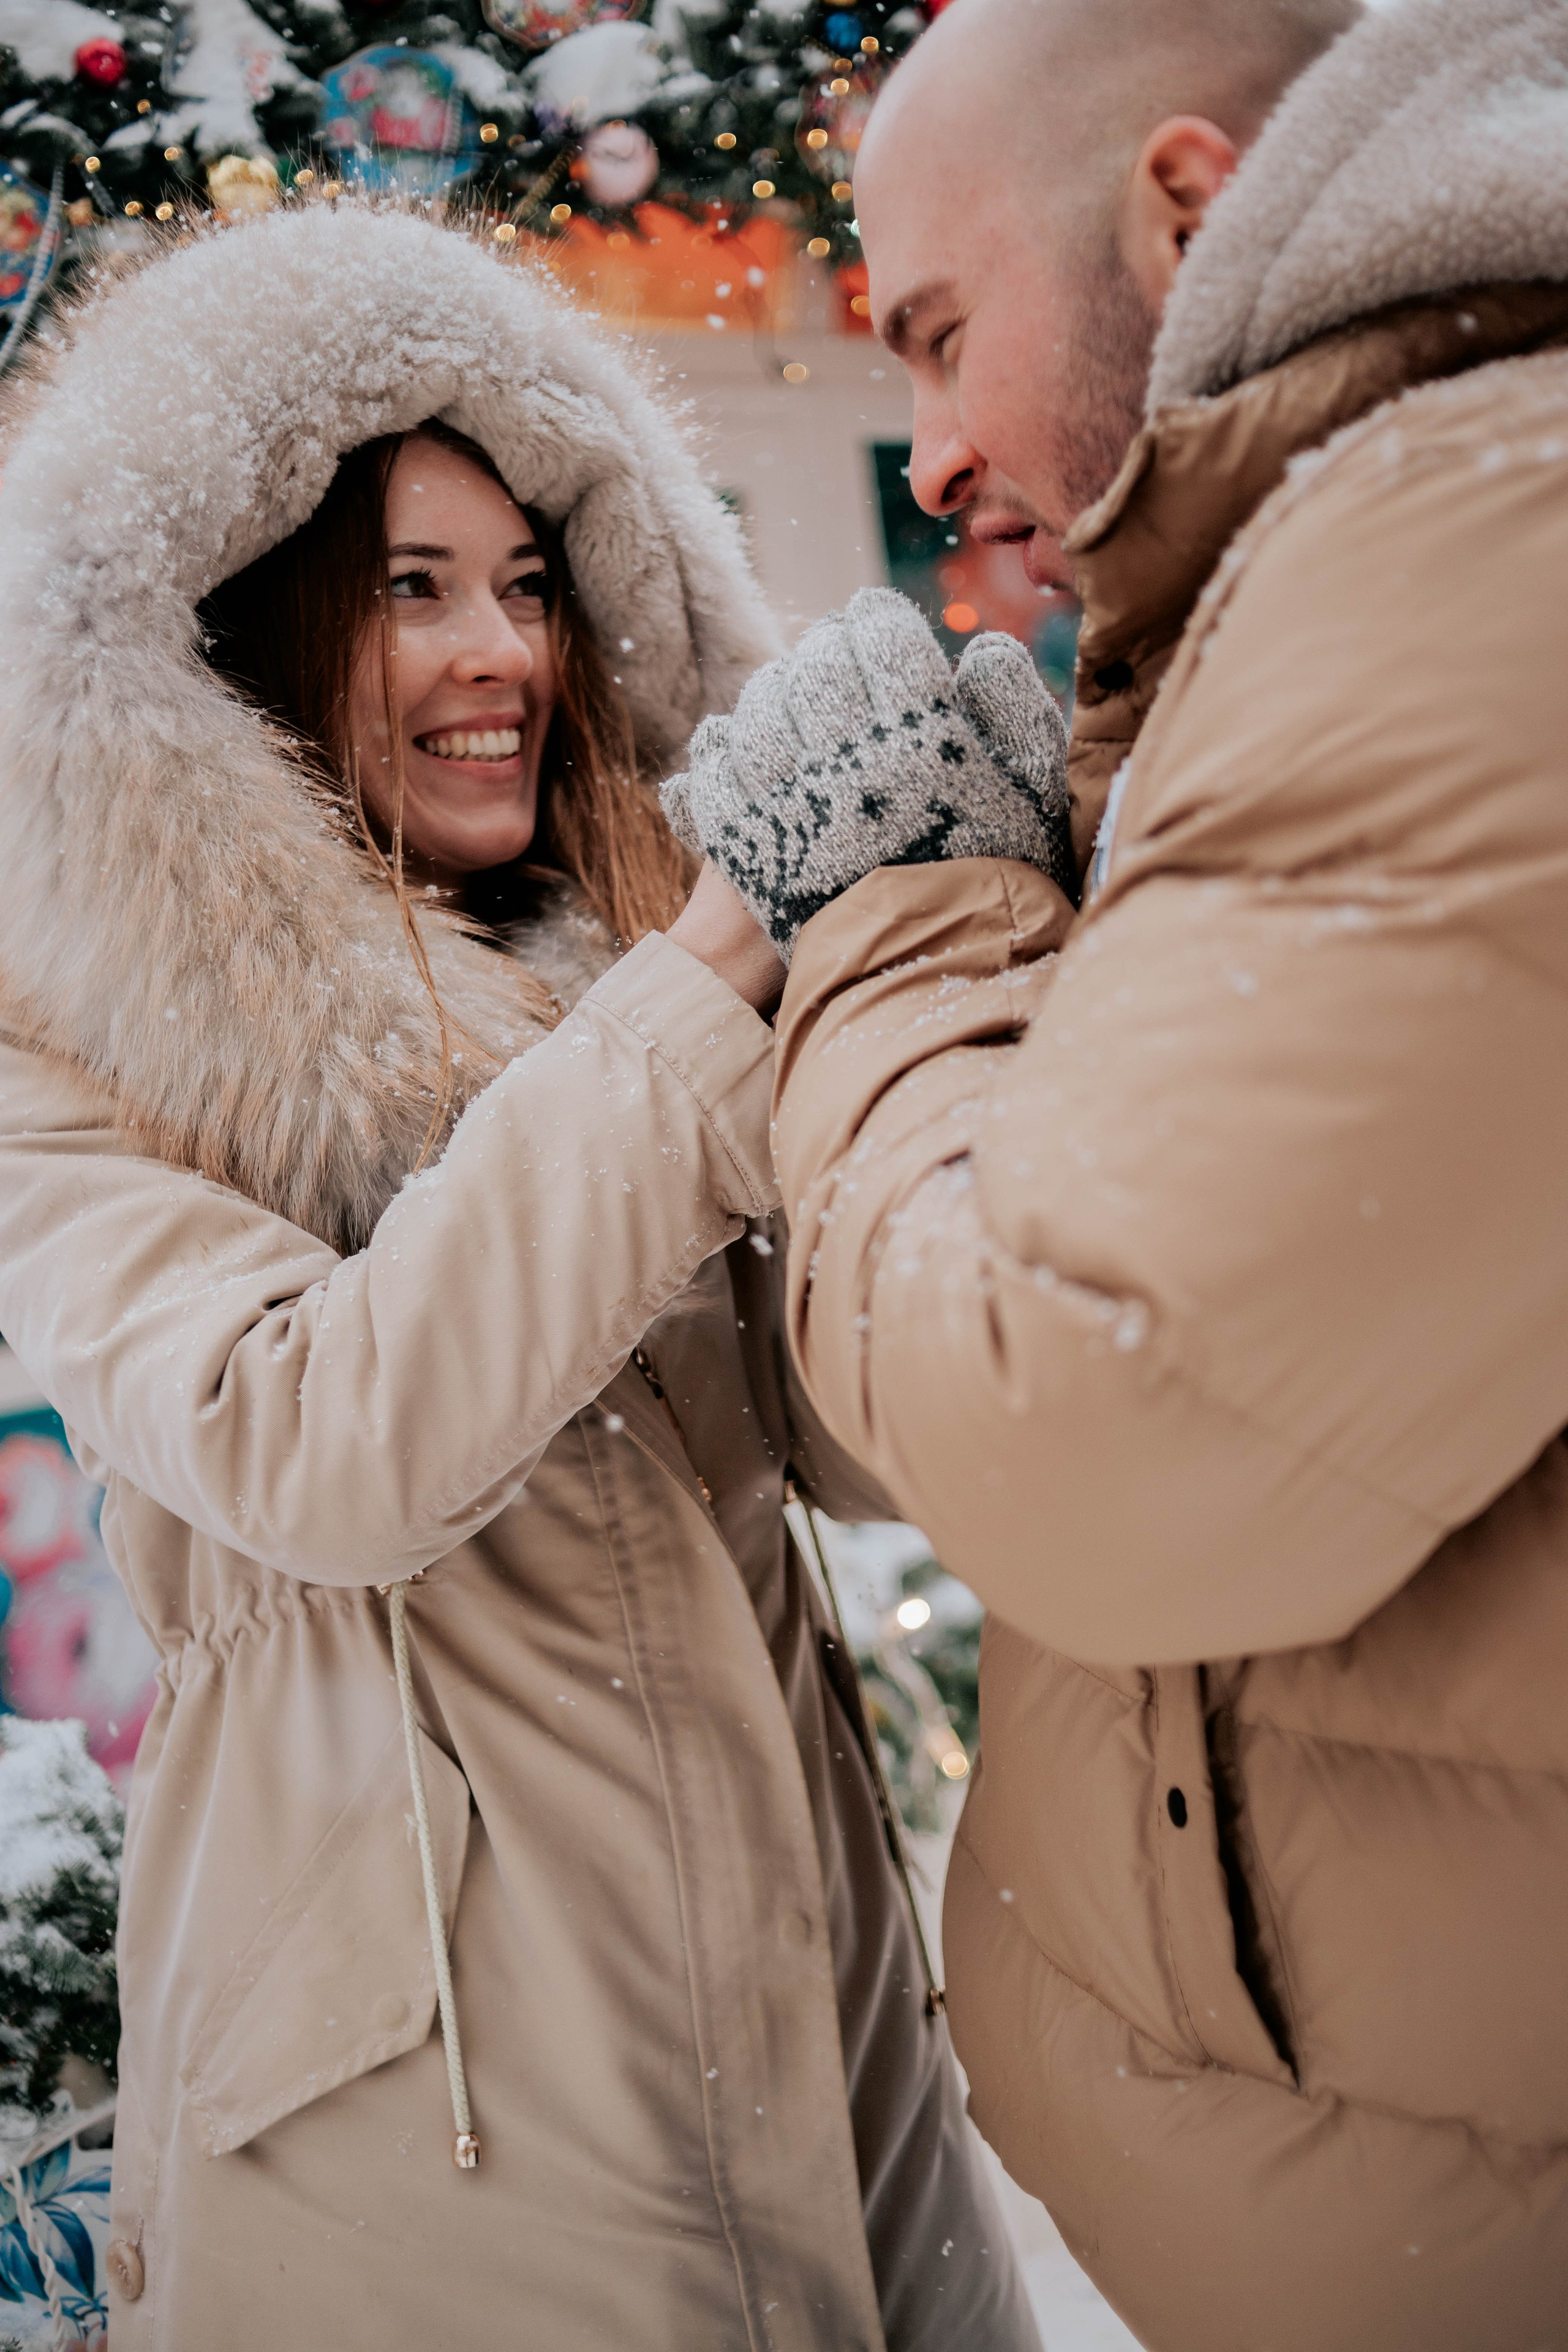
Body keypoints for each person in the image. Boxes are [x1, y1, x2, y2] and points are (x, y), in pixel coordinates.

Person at [0, 200, 1041, 2352]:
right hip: (423, 2130)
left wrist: (939, 976)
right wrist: (736, 951)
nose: (506, 655)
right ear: (228, 629)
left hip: (820, 2001)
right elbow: (322, 1439)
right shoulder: (65, 1040)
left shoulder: (631, 973)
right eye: (410, 590)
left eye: (533, 583)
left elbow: (855, 1449)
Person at [662, 0, 1568, 2344]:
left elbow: (1081, 1426)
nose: (934, 446)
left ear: (1184, 207)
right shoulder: (1271, 610)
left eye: (943, 334)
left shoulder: (1482, 535)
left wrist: (892, 918)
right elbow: (901, 1426)